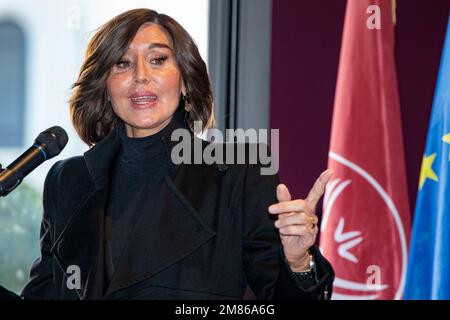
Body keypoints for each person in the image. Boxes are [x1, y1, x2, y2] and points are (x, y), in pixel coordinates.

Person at [3, 8, 334, 300]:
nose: (141, 76)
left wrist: (298, 264)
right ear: (106, 86)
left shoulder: (239, 173)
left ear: (185, 82)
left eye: (158, 60)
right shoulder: (68, 181)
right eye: (123, 63)